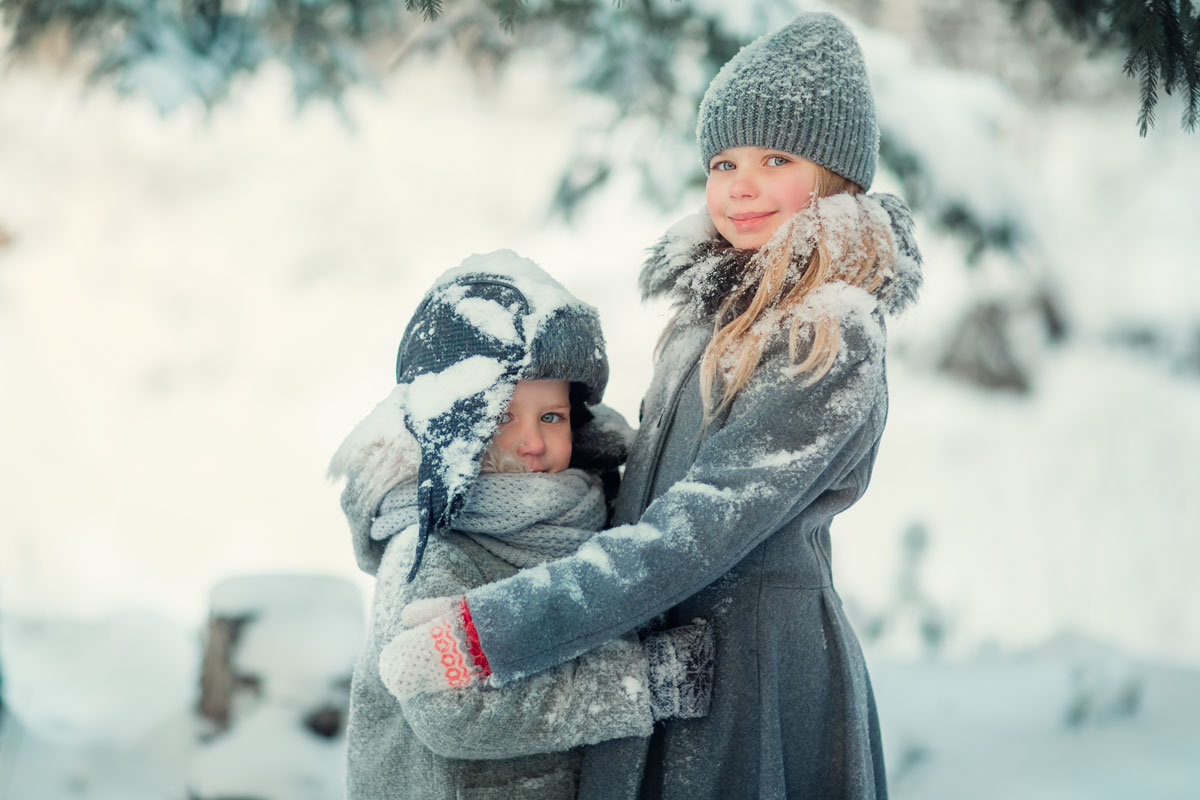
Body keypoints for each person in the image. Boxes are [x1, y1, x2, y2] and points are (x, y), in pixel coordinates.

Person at [384, 12, 925, 799]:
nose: (740, 184)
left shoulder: (830, 334)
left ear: (836, 175)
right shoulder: (708, 313)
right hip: (661, 636)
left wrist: (492, 631)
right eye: (723, 160)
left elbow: (699, 524)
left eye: (776, 158)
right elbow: (655, 479)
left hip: (756, 674)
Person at [330, 250, 714, 800]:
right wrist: (645, 683)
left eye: (550, 416)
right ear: (451, 422)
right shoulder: (434, 546)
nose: (532, 441)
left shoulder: (590, 509)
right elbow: (449, 706)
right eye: (501, 417)